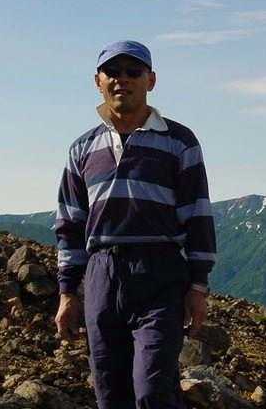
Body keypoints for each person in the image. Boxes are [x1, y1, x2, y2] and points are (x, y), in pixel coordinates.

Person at [53, 40, 217, 409]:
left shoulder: (179, 142)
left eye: (133, 72)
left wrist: (198, 286)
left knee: (152, 390)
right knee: (110, 391)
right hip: (101, 274)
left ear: (150, 80)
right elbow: (70, 224)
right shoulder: (82, 149)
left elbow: (197, 214)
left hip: (160, 273)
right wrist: (67, 293)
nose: (122, 79)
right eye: (112, 72)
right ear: (98, 81)